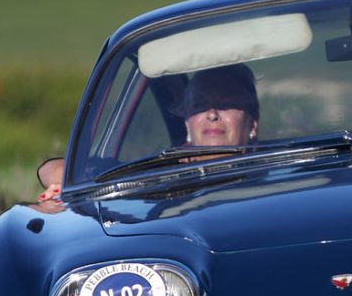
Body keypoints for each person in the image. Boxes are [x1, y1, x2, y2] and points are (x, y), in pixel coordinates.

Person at [36, 63, 260, 201]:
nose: (212, 114)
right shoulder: (161, 170)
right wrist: (65, 181)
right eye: (201, 104)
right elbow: (56, 171)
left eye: (227, 103)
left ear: (253, 123)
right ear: (186, 123)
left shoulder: (281, 167)